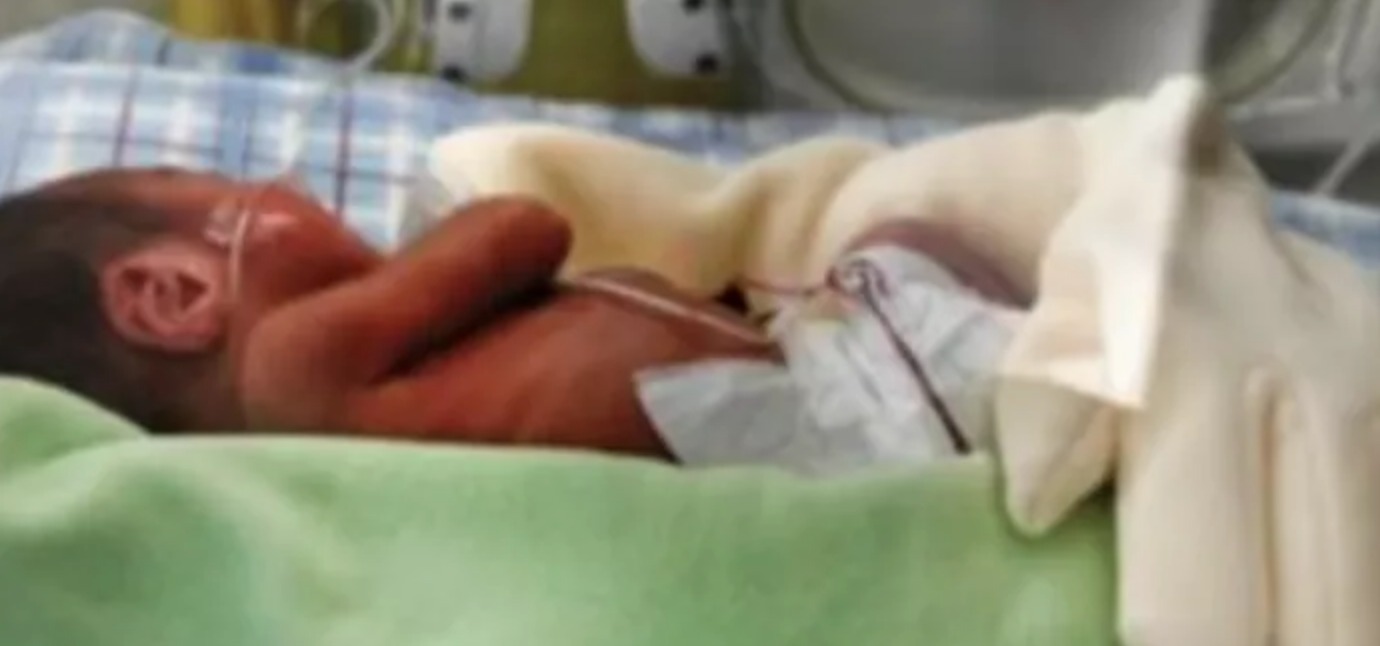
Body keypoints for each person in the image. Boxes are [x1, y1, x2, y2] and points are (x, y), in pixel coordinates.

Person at [0, 168, 1023, 464]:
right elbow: (524, 226)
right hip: (859, 413)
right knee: (904, 233)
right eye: (238, 187)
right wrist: (426, 244)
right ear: (174, 294)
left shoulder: (321, 416)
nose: (290, 184)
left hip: (795, 403)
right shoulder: (292, 361)